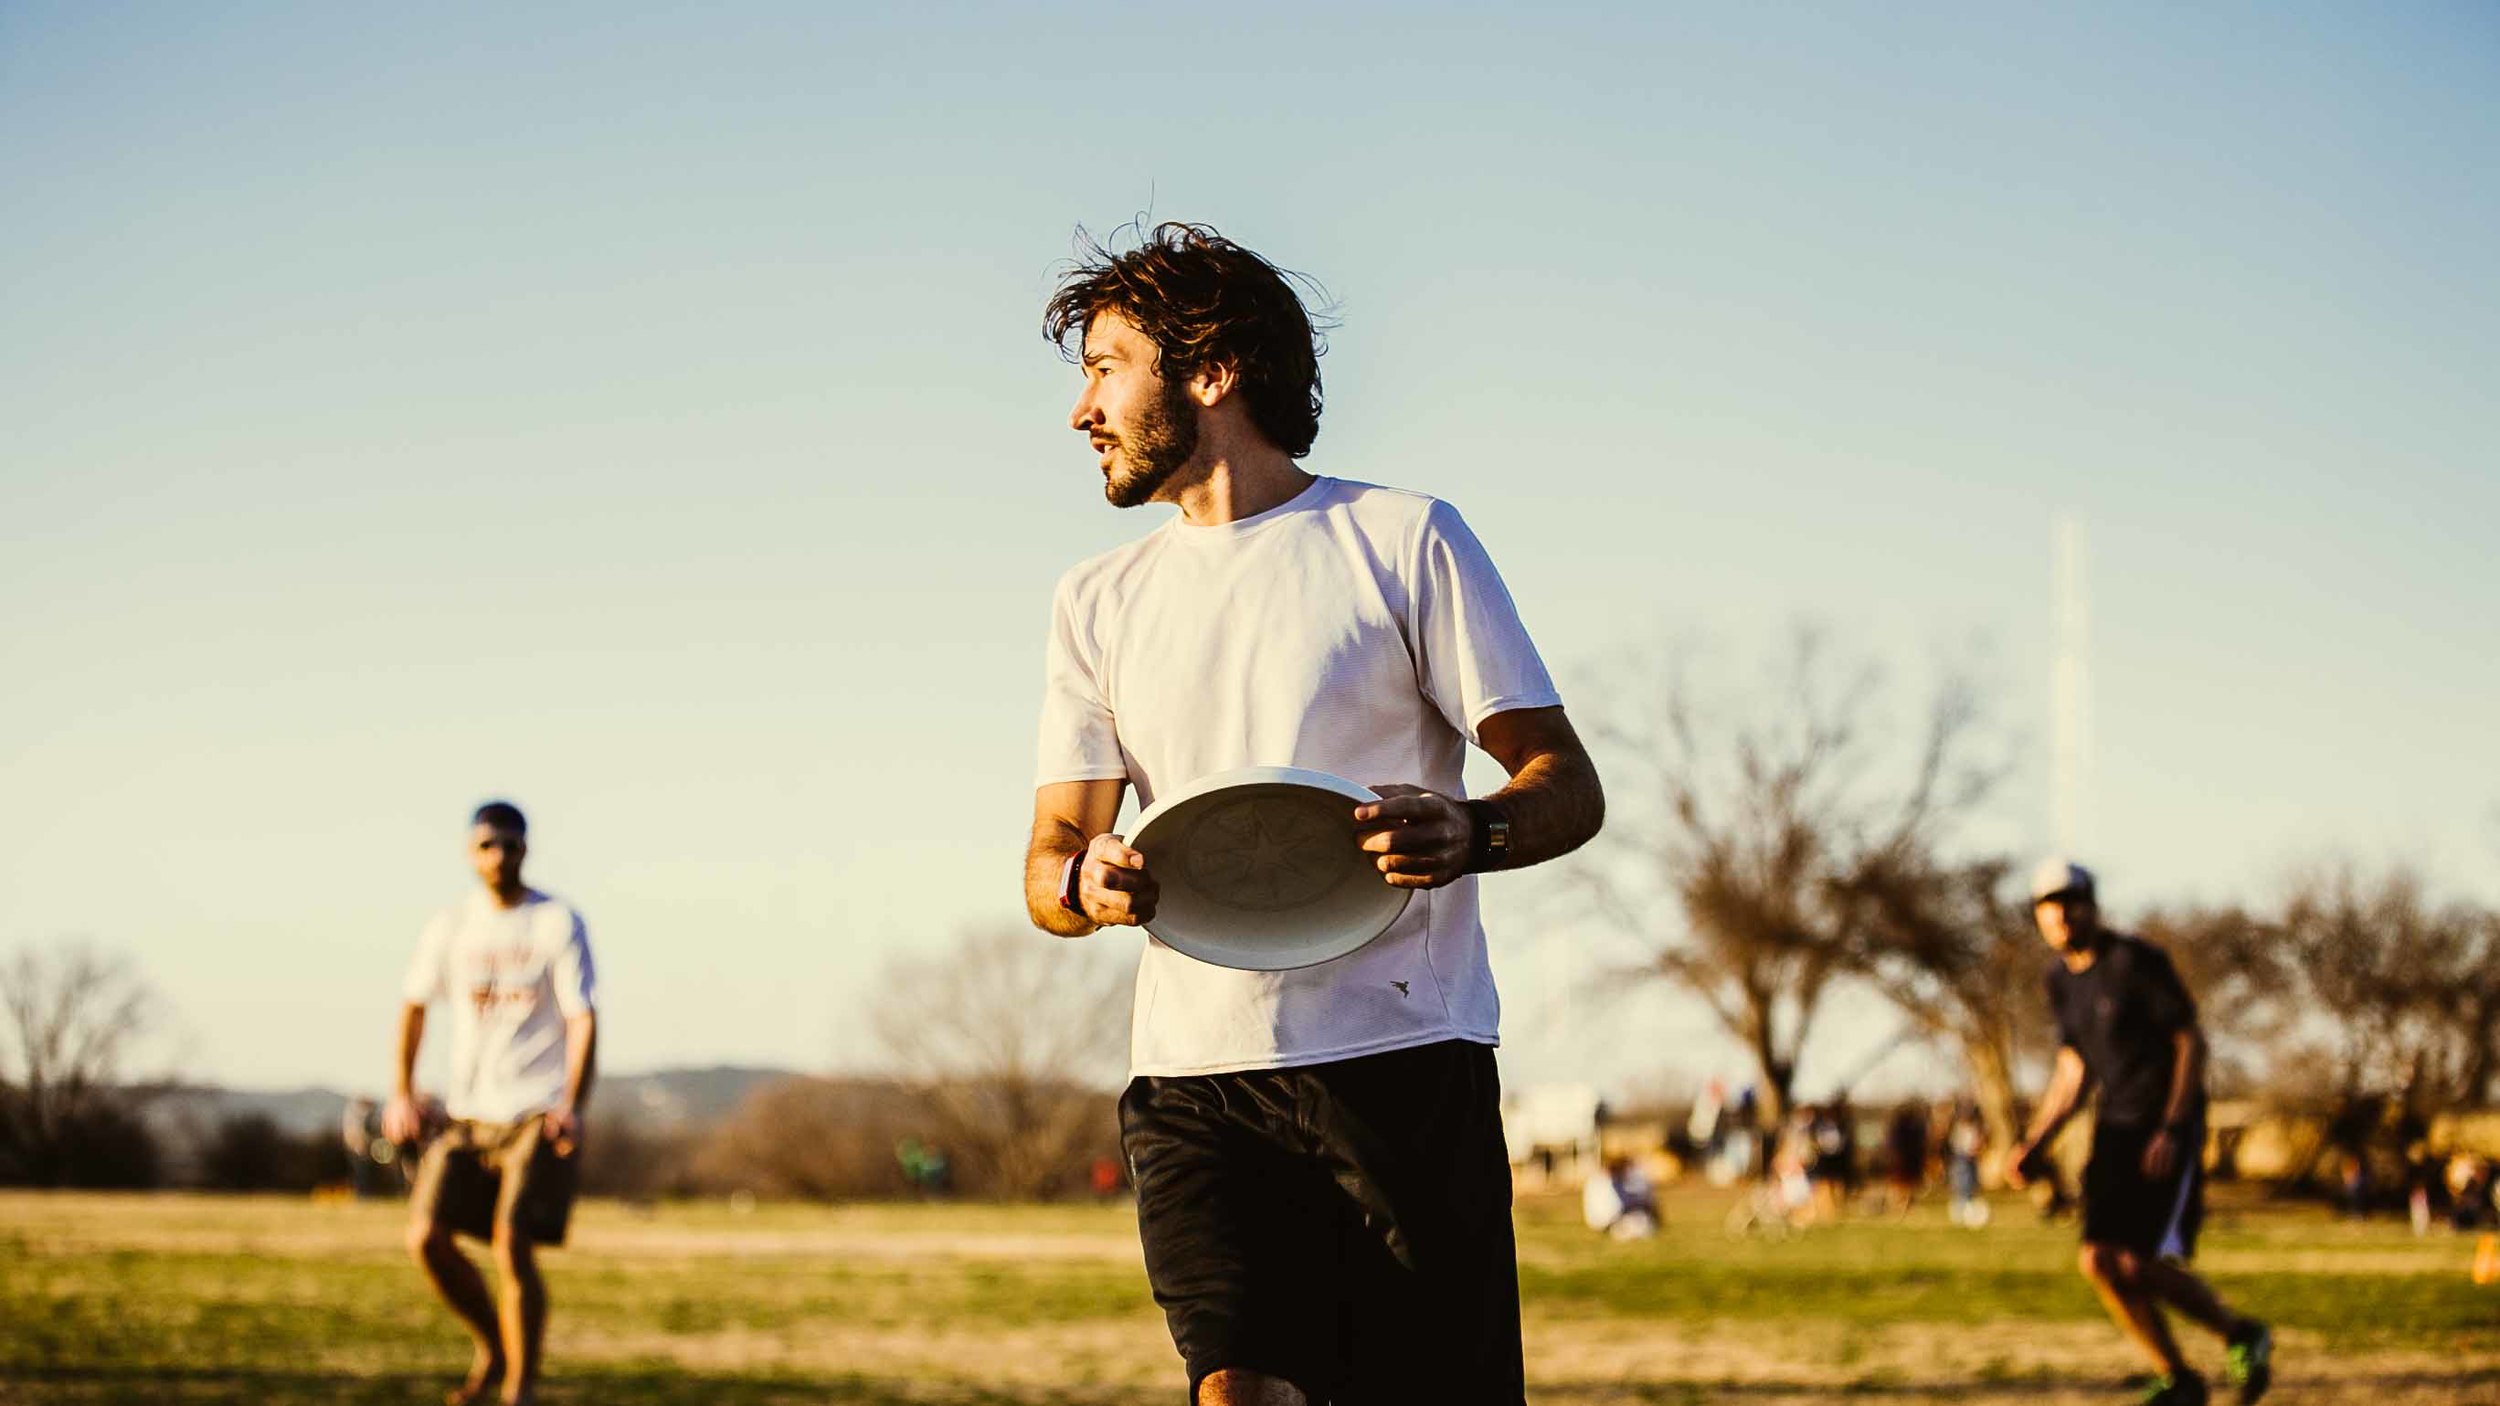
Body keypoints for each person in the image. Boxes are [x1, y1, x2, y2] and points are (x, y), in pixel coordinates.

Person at [1024, 223, 1604, 1406]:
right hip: (1191, 1077)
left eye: (1106, 365)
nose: (1080, 409)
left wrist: (1471, 833)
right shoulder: (1097, 598)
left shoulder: (1401, 540)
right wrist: (1088, 886)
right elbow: (1046, 864)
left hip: (1400, 1060)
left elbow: (1565, 784)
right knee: (1239, 1390)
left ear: (1212, 369)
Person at [2003, 859, 2271, 1406]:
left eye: (2069, 901)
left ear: (2091, 905)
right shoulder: (2059, 980)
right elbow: (2073, 1070)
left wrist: (2173, 1127)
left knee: (2137, 1263)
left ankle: (2241, 1333)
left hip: (2165, 1125)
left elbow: (2189, 1043)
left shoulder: (2136, 962)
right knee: (2097, 1261)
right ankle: (2179, 1377)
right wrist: (2037, 1141)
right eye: (2048, 905)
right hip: (2114, 1128)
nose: (2060, 914)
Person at [382, 801, 597, 1406]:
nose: (499, 855)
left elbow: (583, 1017)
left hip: (533, 1112)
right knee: (425, 1237)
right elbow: (414, 1006)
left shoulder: (556, 921)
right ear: (470, 853)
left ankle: (518, 1390)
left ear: (526, 849)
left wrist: (571, 1102)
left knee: (511, 1242)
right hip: (467, 1112)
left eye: (510, 844)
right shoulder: (451, 926)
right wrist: (402, 1091)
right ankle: (494, 1346)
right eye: (487, 845)